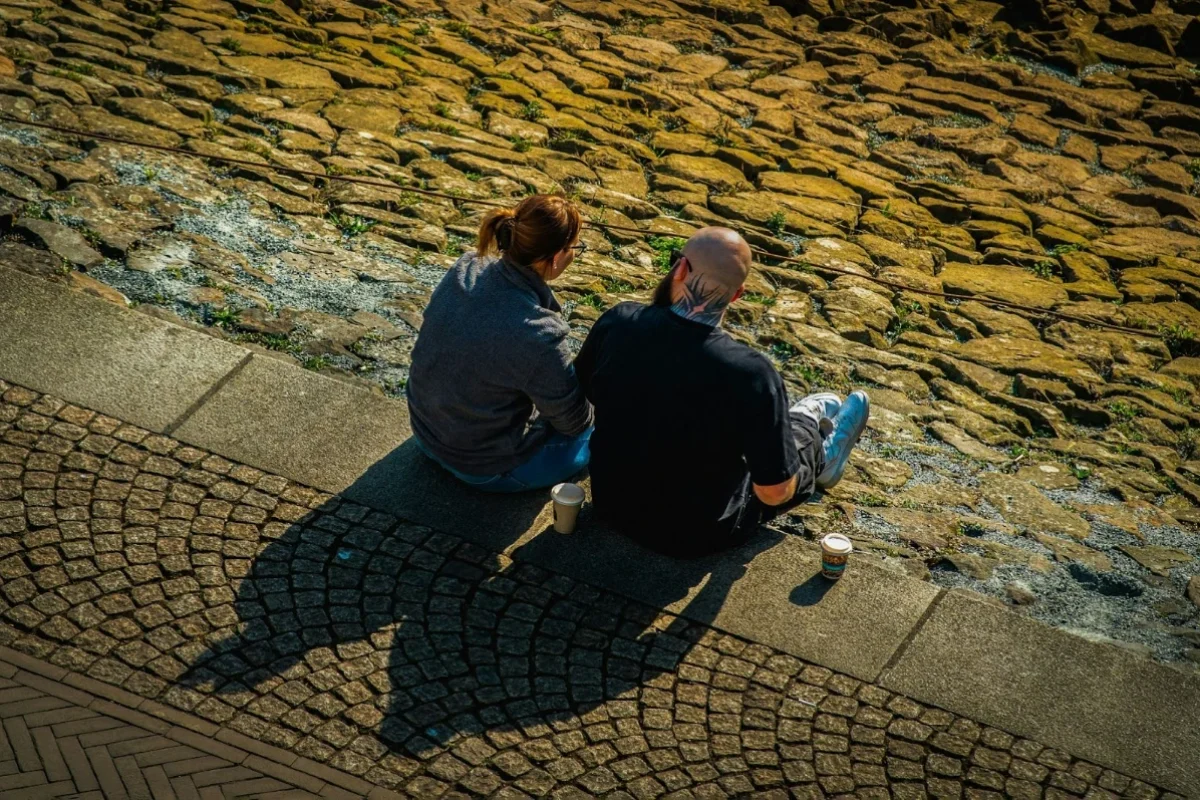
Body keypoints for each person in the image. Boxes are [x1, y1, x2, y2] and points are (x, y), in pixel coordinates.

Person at [574, 226, 870, 556]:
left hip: (611, 503)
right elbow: (773, 493)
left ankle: (802, 425)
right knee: (795, 444)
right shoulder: (750, 373)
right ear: (737, 295)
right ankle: (818, 448)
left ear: (680, 269)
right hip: (696, 533)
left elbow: (583, 389)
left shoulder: (619, 321)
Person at [407, 194, 593, 492]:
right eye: (575, 248)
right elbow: (574, 423)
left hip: (426, 434)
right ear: (556, 257)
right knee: (597, 431)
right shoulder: (539, 333)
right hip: (482, 467)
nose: (574, 254)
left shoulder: (465, 266)